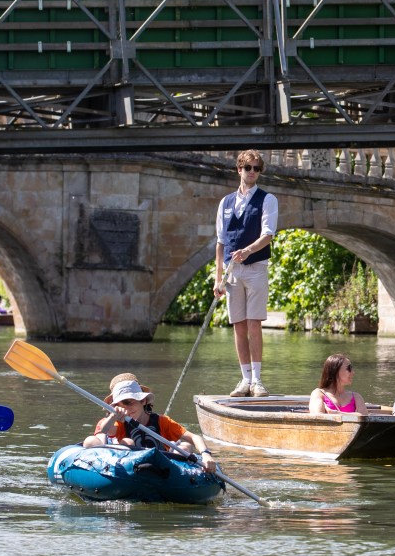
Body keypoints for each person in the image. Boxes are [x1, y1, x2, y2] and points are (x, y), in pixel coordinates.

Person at [215, 149, 279, 398]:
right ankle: (245, 380)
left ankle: (258, 381)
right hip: (232, 272)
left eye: (257, 169)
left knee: (254, 324)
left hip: (256, 269)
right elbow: (220, 243)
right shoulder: (225, 202)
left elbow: (268, 235)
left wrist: (248, 250)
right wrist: (217, 278)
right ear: (239, 170)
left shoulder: (267, 199)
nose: (252, 172)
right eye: (248, 168)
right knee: (238, 326)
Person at [82, 373, 217, 474]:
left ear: (143, 401)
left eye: (130, 402)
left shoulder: (162, 421)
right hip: (130, 470)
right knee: (127, 442)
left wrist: (206, 454)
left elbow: (194, 437)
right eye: (120, 404)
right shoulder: (118, 421)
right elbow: (106, 430)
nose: (127, 409)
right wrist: (114, 415)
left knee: (185, 446)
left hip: (163, 467)